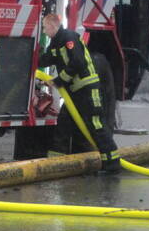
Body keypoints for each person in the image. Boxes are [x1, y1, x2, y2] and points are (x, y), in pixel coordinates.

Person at [41, 12, 121, 173]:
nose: (43, 31)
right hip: (74, 94)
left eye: (44, 28)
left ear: (52, 26)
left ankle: (112, 165)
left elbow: (77, 62)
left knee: (96, 126)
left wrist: (58, 81)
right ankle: (56, 165)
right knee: (63, 124)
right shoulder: (56, 43)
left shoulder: (69, 39)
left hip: (88, 91)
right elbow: (46, 59)